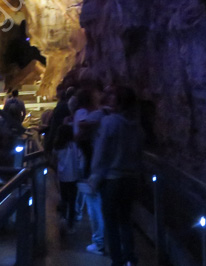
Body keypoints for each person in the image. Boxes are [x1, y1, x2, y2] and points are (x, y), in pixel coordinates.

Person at [89, 86, 143, 266]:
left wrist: (95, 175)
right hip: (131, 178)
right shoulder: (136, 125)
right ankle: (130, 258)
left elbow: (101, 151)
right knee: (126, 219)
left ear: (117, 101)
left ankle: (117, 260)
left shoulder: (110, 122)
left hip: (112, 179)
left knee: (111, 221)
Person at [74, 88, 105, 255]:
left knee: (96, 204)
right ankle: (100, 241)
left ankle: (100, 241)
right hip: (93, 164)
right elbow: (80, 130)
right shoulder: (89, 114)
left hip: (92, 164)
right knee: (96, 204)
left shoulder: (93, 114)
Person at [54, 123, 82, 234]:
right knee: (72, 200)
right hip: (74, 175)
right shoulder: (75, 145)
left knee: (64, 198)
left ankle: (63, 219)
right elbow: (80, 158)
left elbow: (54, 159)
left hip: (62, 175)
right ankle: (71, 223)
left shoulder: (58, 146)